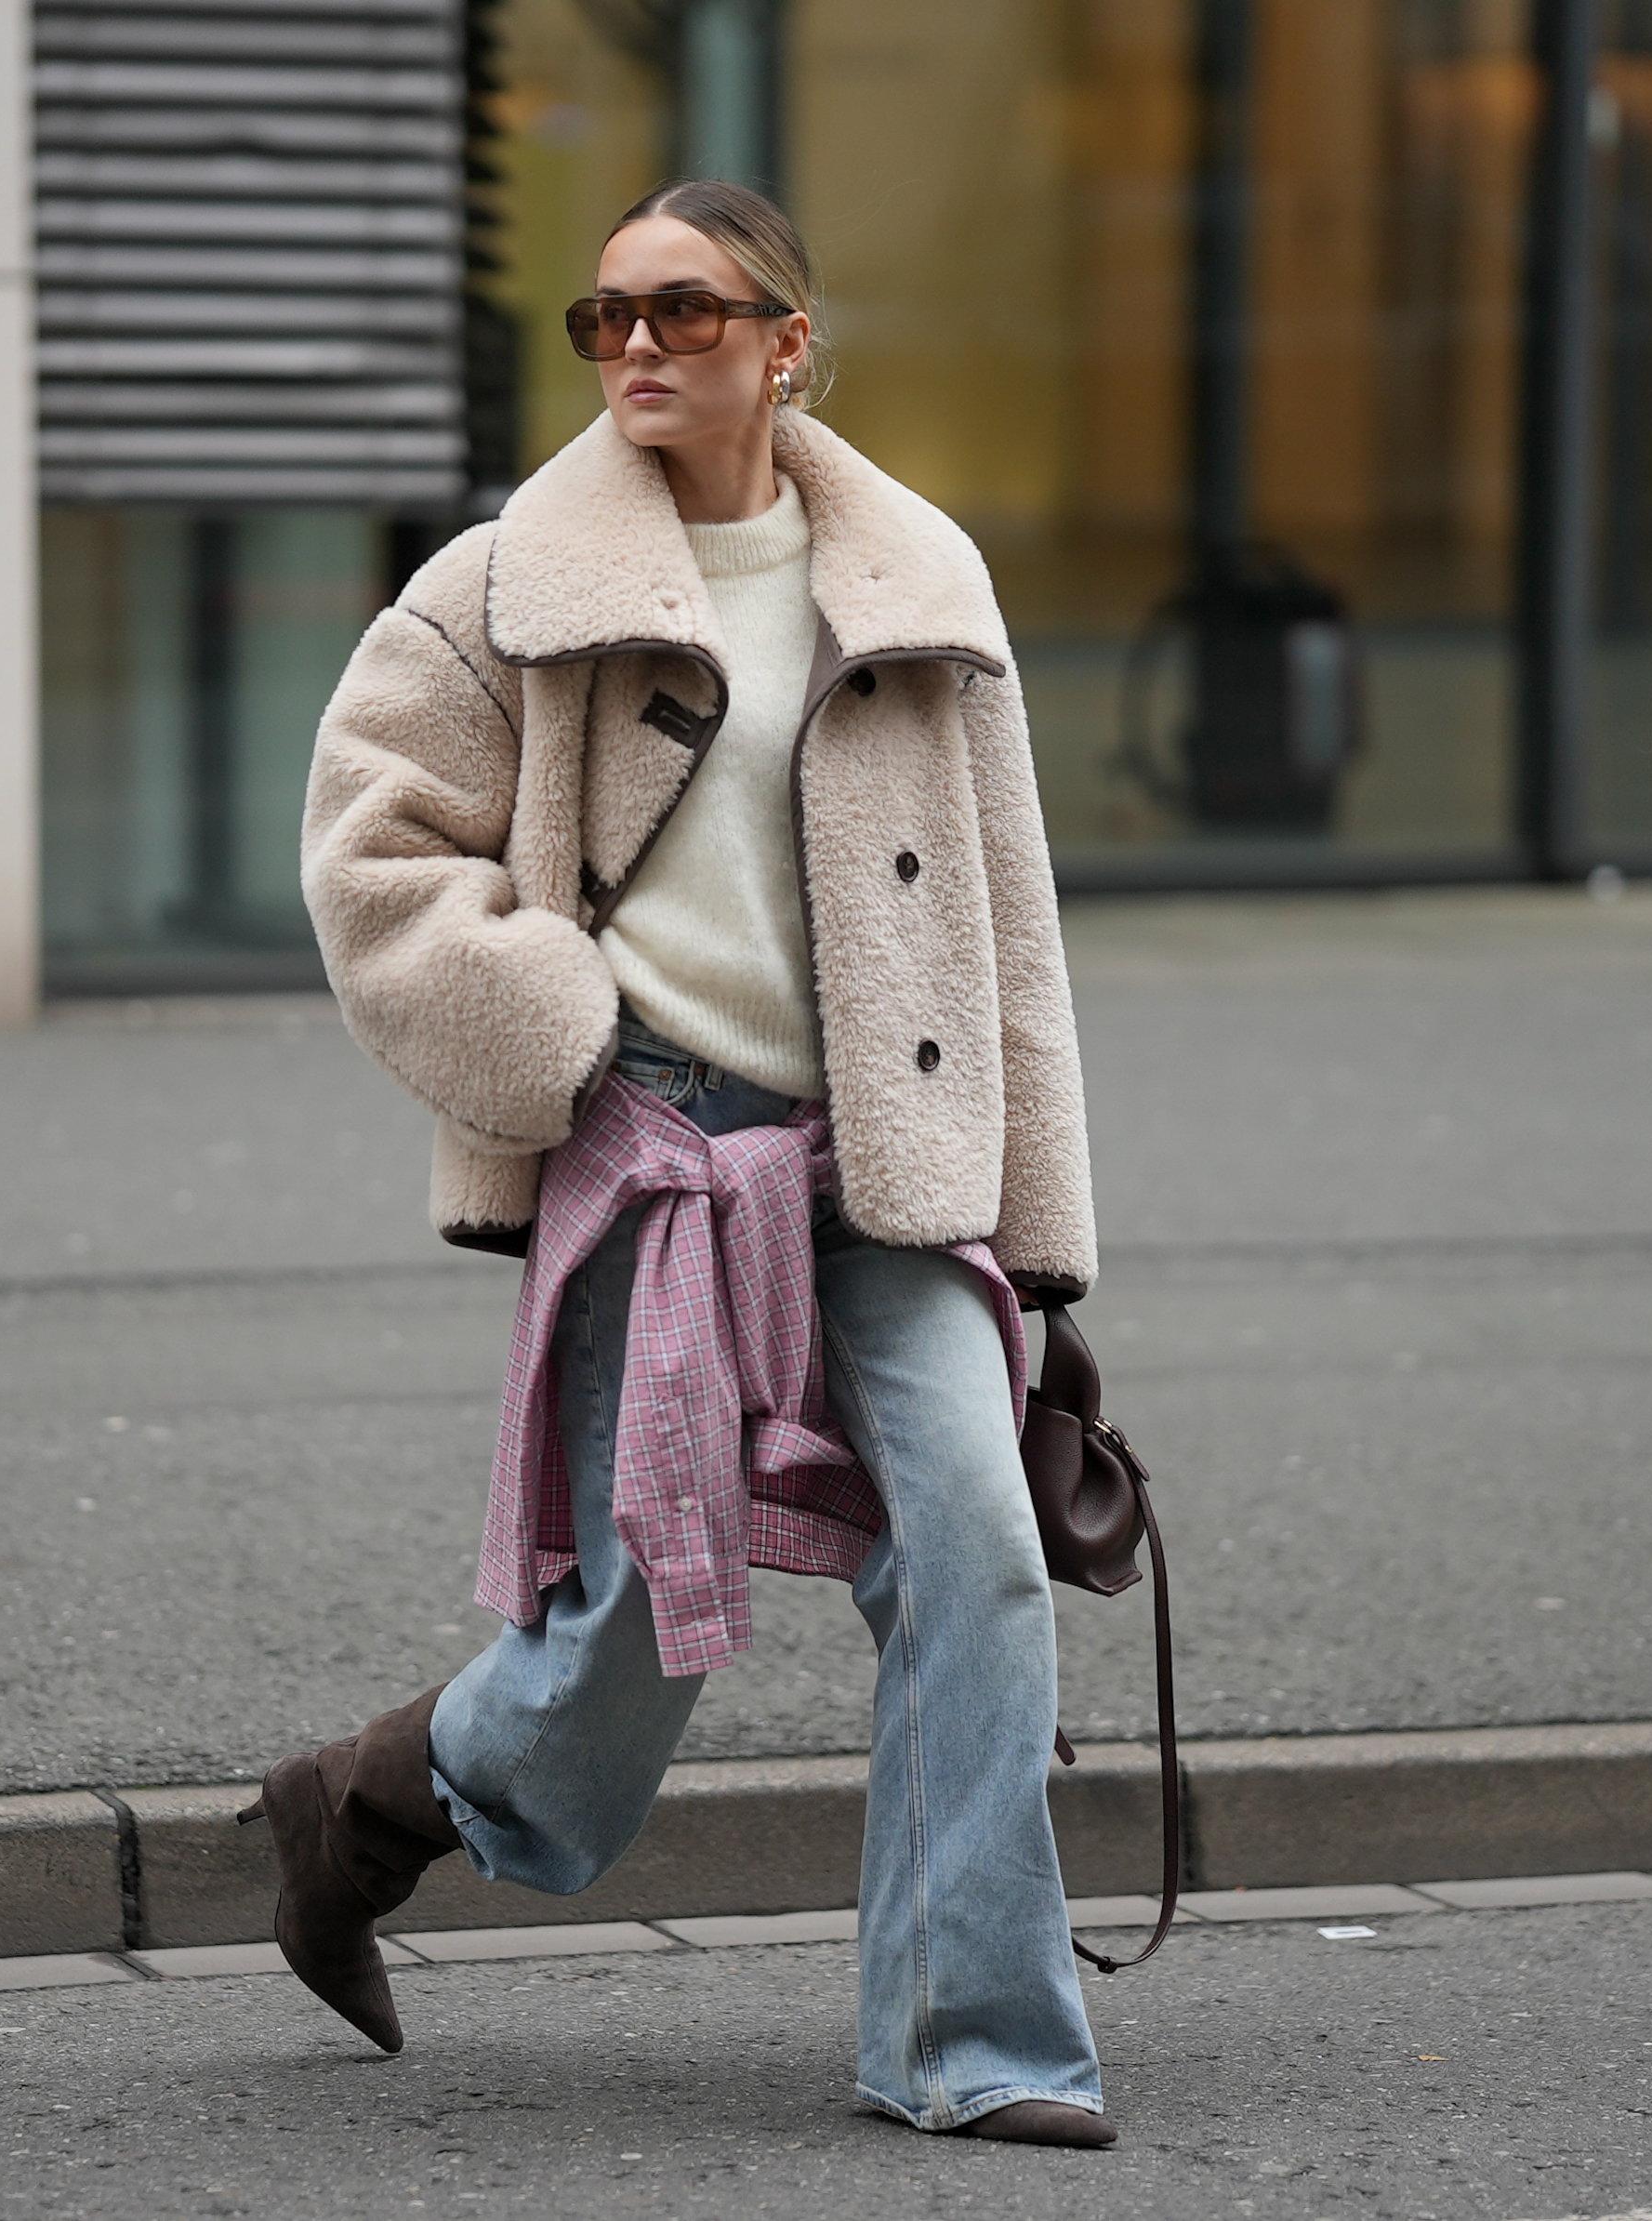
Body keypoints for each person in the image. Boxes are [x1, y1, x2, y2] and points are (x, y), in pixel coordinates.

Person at [256, 177, 1112, 2148]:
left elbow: (1008, 919)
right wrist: (538, 1010)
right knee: (631, 1631)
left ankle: (976, 2039)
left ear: (787, 343)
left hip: (883, 1169)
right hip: (653, 1148)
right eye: (606, 316)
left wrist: (1039, 1226)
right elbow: (368, 849)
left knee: (979, 1560)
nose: (636, 345)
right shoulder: (505, 584)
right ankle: (369, 1801)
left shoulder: (913, 578)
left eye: (685, 312)